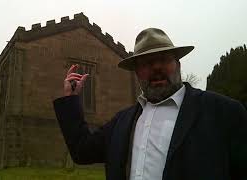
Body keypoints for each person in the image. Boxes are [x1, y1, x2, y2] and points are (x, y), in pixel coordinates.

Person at [53, 28, 247, 180]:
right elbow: (82, 151)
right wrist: (71, 100)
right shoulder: (122, 121)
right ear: (137, 72)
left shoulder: (224, 112)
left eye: (163, 60)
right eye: (146, 63)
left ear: (178, 64)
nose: (156, 68)